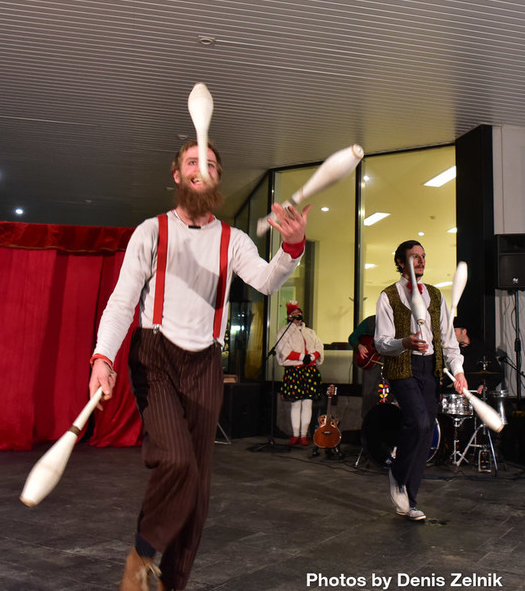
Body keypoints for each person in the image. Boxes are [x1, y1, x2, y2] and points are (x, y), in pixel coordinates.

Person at [88, 139, 310, 591]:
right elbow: (122, 301)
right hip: (154, 357)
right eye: (192, 161)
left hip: (206, 362)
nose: (200, 169)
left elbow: (267, 281)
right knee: (176, 461)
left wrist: (292, 247)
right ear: (178, 175)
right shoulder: (151, 232)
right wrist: (102, 357)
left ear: (216, 179)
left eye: (209, 164)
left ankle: (171, 583)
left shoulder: (234, 240)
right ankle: (142, 556)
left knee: (198, 485)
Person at [374, 240, 467, 521]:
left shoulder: (436, 296)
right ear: (400, 262)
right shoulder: (389, 296)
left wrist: (458, 371)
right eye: (414, 256)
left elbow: (448, 341)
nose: (421, 260)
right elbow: (381, 342)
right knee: (419, 421)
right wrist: (404, 342)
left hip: (430, 369)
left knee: (426, 434)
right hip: (403, 367)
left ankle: (411, 500)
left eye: (423, 256)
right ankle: (397, 473)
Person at [275, 300, 324, 446]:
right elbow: (283, 350)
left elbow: (319, 346)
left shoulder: (310, 332)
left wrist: (313, 356)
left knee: (307, 403)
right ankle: (295, 434)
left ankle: (304, 435)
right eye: (294, 313)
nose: (298, 315)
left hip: (309, 371)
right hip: (294, 371)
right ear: (289, 316)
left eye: (299, 312)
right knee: (295, 404)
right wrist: (302, 357)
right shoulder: (284, 332)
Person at [348, 314, 383, 420]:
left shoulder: (396, 322)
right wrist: (359, 346)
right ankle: (367, 423)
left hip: (388, 364)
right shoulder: (371, 321)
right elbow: (352, 337)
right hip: (371, 365)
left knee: (387, 394)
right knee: (369, 396)